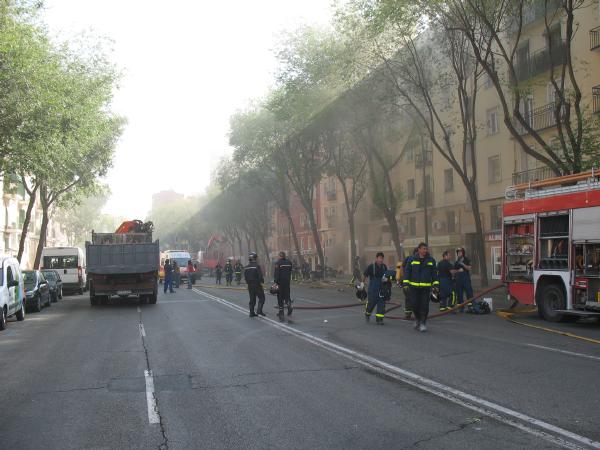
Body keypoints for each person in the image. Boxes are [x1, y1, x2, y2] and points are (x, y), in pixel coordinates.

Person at [403, 242, 439, 332]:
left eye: (426, 249)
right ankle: (417, 319)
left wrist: (436, 285)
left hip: (425, 289)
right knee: (414, 305)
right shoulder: (411, 259)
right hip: (414, 288)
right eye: (423, 249)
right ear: (419, 249)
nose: (425, 251)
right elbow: (407, 272)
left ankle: (423, 323)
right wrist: (405, 284)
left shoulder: (431, 260)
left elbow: (434, 274)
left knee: (424, 306)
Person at [362, 252, 388, 325]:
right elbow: (365, 275)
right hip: (373, 290)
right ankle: (367, 314)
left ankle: (379, 320)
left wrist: (387, 279)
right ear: (376, 259)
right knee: (371, 304)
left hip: (382, 289)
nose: (381, 260)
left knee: (381, 304)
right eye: (379, 258)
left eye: (382, 258)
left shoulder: (384, 267)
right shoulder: (371, 266)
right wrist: (362, 284)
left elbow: (387, 276)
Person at [244, 252, 266, 318]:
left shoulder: (246, 267)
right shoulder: (257, 266)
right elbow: (260, 276)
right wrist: (262, 282)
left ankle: (251, 312)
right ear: (255, 258)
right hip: (257, 284)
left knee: (252, 299)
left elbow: (245, 276)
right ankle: (259, 310)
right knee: (262, 298)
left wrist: (248, 283)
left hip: (250, 285)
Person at [273, 251, 293, 321]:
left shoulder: (278, 263)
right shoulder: (289, 262)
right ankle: (289, 304)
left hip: (280, 282)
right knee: (287, 295)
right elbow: (290, 271)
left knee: (280, 297)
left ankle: (281, 313)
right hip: (287, 281)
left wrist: (275, 282)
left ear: (279, 256)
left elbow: (277, 273)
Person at [401, 248, 418, 319]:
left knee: (413, 298)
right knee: (409, 298)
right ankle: (409, 314)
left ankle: (414, 314)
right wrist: (404, 277)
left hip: (414, 282)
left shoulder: (419, 259)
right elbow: (403, 267)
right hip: (409, 282)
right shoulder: (410, 259)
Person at [454, 247, 473, 312]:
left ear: (463, 253)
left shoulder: (467, 260)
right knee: (459, 294)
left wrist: (463, 264)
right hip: (458, 280)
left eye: (460, 252)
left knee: (469, 293)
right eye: (458, 252)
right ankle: (460, 307)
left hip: (466, 279)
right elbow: (454, 271)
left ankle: (470, 306)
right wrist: (458, 271)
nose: (459, 253)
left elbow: (469, 268)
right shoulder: (456, 262)